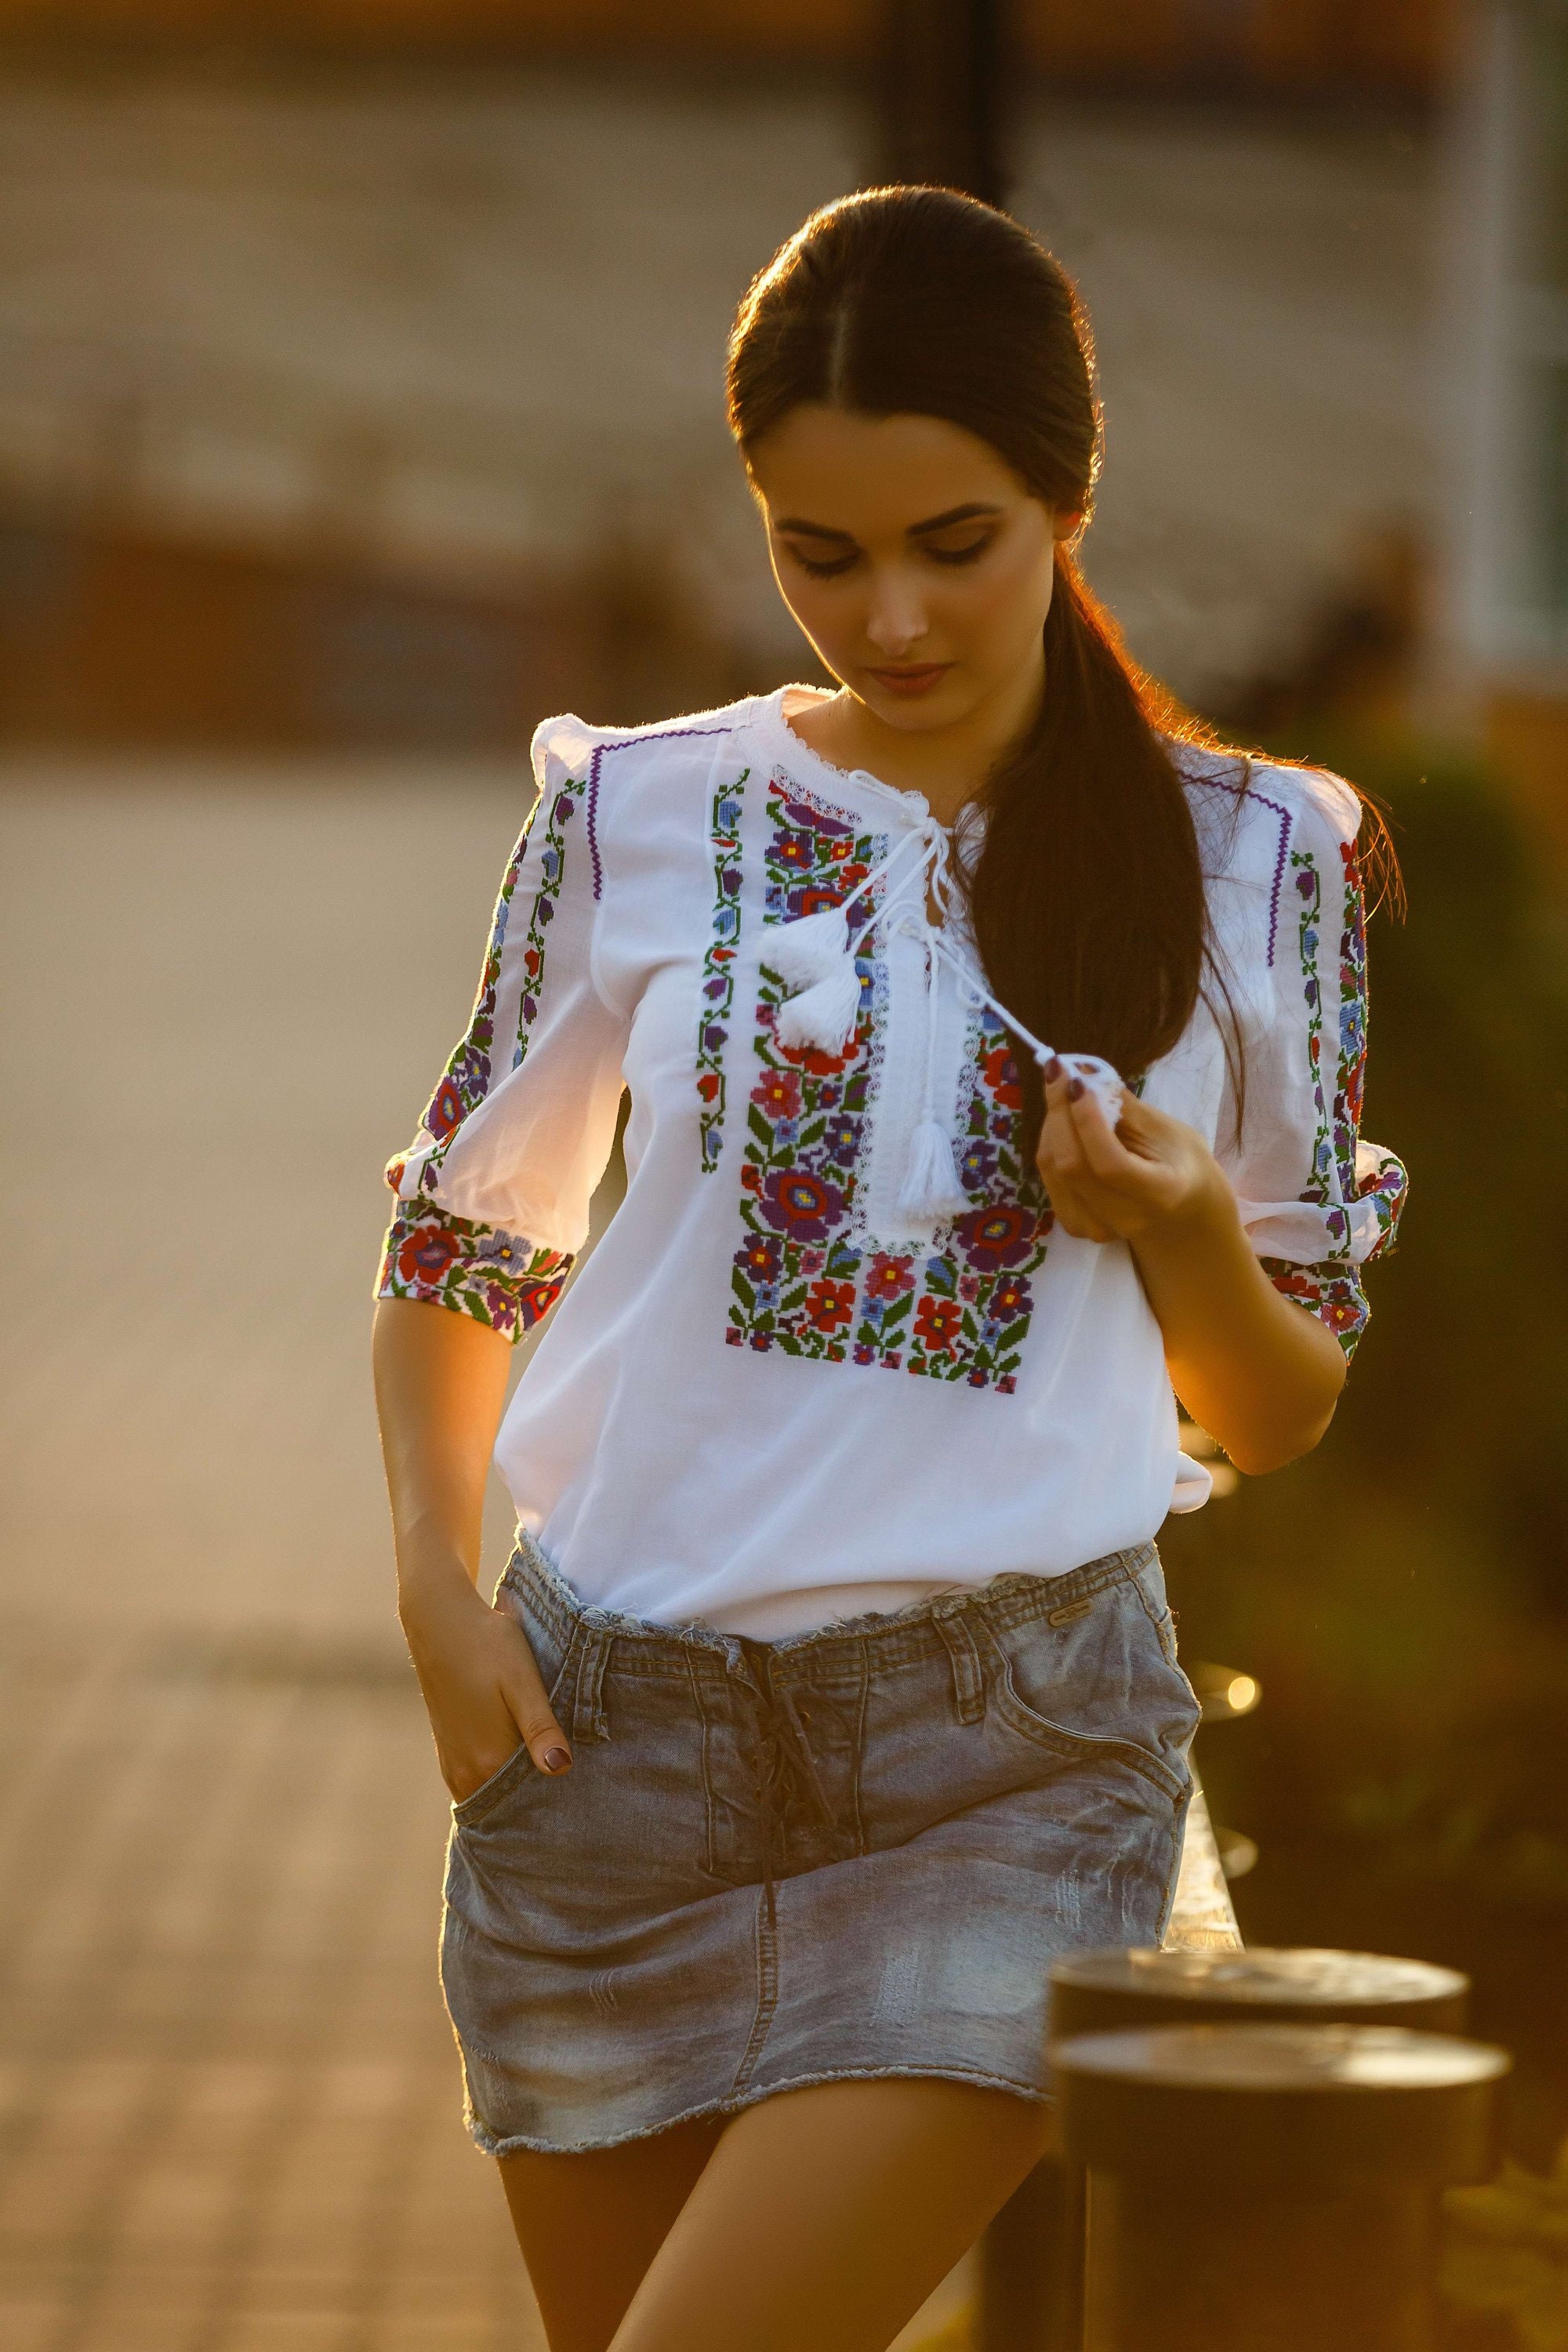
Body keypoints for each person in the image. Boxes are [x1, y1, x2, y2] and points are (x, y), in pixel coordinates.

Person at [372, 187, 1406, 2352]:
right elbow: (469, 1231)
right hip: (605, 1753)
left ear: (1067, 493)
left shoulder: (1258, 858)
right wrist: (433, 1587)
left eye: (958, 541)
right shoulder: (636, 814)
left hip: (1015, 1765)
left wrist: (1191, 1230)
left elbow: (1284, 1401)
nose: (895, 616)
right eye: (819, 554)